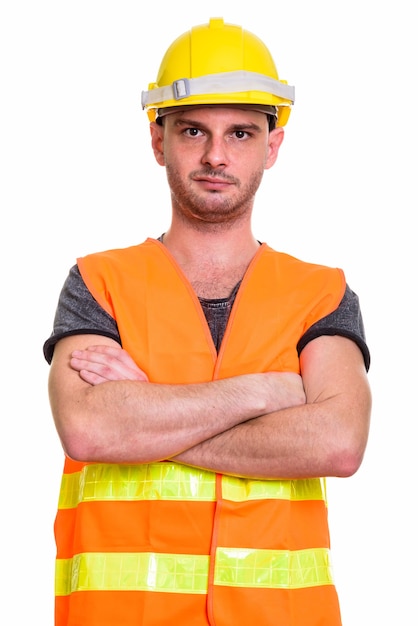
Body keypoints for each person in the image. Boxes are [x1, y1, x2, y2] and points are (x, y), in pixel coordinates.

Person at [44, 17, 372, 626]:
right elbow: (90, 431)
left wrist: (148, 421)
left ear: (272, 147)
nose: (216, 155)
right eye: (192, 129)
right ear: (157, 141)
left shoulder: (320, 292)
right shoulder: (98, 281)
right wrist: (267, 393)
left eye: (241, 133)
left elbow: (338, 441)